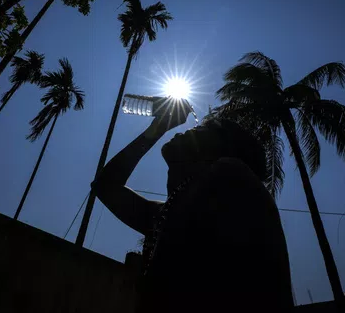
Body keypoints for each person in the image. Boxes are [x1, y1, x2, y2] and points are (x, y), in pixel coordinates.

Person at [92, 100, 294, 312]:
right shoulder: (166, 212)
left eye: (203, 128)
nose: (191, 128)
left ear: (220, 147)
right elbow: (105, 186)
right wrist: (156, 129)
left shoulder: (233, 177)